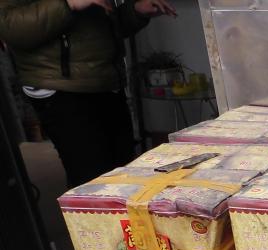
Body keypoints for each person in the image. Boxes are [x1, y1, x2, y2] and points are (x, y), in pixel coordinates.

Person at [0, 0, 177, 187]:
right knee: (92, 181)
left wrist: (135, 11)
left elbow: (104, 27)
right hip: (61, 87)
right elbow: (10, 28)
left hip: (106, 81)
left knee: (125, 175)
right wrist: (68, 3)